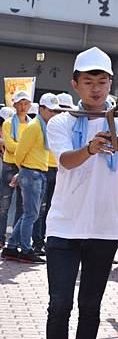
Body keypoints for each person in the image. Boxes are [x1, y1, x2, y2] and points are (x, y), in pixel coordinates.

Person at [45, 47, 118, 339]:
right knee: (60, 304)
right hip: (63, 226)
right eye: (88, 82)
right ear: (75, 85)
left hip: (104, 228)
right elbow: (65, 161)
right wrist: (90, 148)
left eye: (101, 82)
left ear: (111, 82)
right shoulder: (62, 121)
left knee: (90, 305)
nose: (96, 89)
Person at [1, 93, 60, 263]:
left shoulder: (43, 126)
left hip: (37, 172)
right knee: (31, 214)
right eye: (50, 110)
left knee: (30, 214)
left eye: (55, 111)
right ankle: (25, 249)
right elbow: (19, 152)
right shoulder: (35, 126)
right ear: (41, 109)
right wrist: (24, 171)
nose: (53, 114)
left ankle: (11, 247)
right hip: (32, 173)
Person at [0, 91, 30, 250]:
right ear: (15, 105)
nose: (23, 107)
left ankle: (15, 241)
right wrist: (27, 149)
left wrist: (25, 150)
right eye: (20, 103)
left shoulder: (32, 124)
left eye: (26, 103)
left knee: (22, 205)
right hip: (10, 166)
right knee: (4, 205)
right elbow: (10, 147)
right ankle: (1, 238)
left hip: (26, 166)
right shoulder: (8, 123)